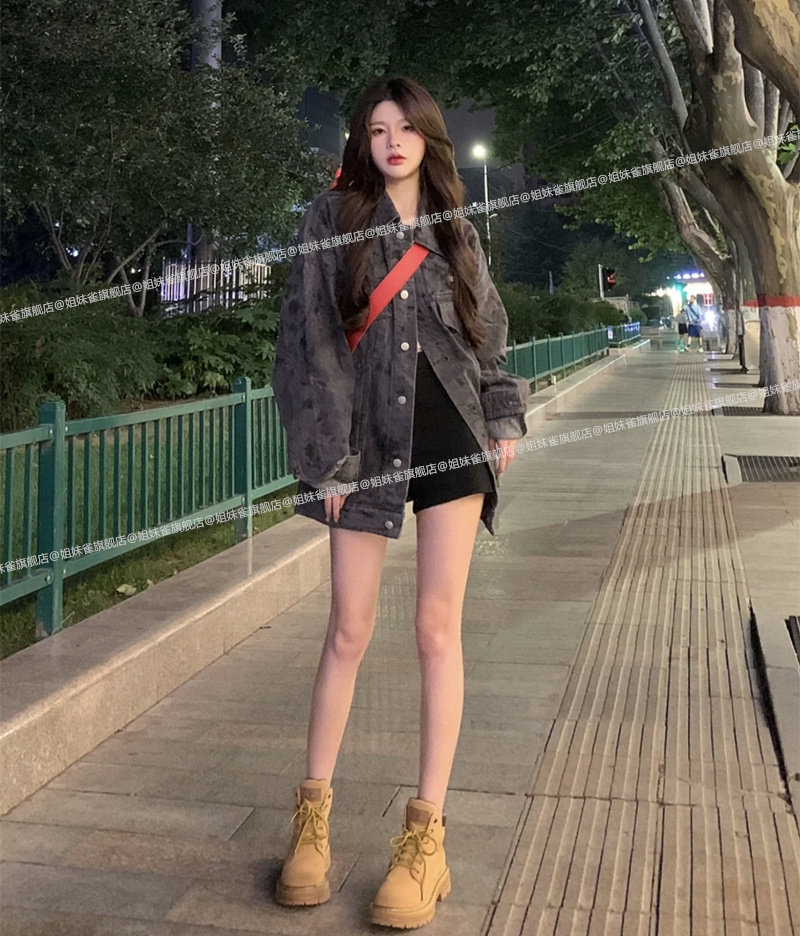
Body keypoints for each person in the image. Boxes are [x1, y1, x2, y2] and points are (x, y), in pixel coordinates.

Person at [270, 76, 529, 929]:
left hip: (450, 429)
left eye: (405, 128)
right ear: (361, 140)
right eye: (376, 129)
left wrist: (502, 413)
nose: (391, 141)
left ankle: (426, 840)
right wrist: (328, 457)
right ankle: (312, 821)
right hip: (364, 443)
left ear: (427, 138)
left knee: (436, 629)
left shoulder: (455, 225)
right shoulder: (330, 220)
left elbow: (487, 328)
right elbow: (307, 342)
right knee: (348, 628)